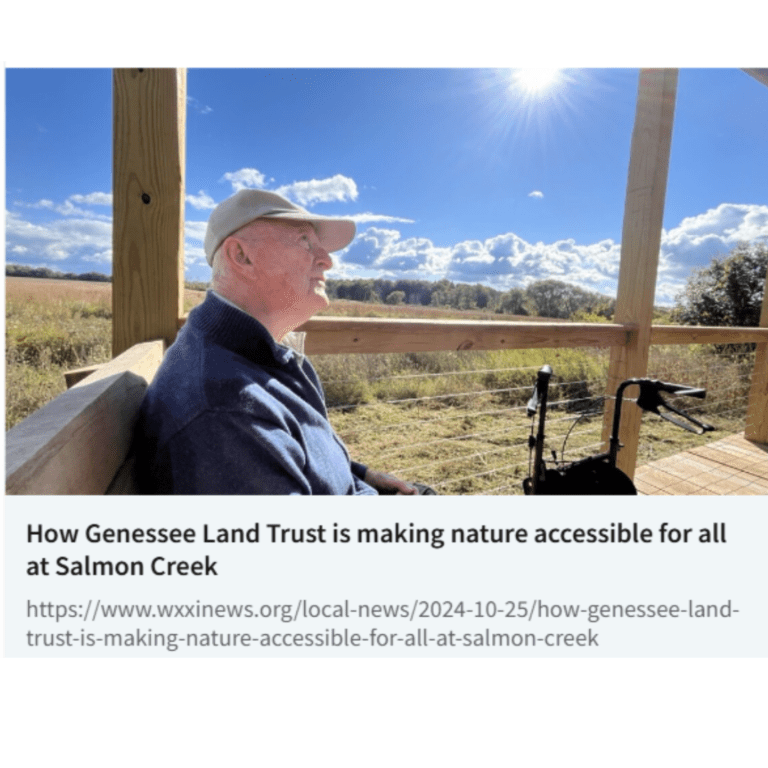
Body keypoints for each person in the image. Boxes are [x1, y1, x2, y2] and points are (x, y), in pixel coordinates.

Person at [134, 189, 419, 495]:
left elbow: (298, 456)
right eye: (305, 242)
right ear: (242, 256)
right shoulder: (227, 411)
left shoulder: (256, 356)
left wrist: (361, 476)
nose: (327, 261)